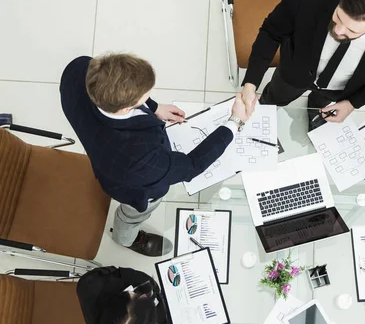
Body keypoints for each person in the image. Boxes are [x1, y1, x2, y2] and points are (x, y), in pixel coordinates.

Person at [60, 54, 254, 256]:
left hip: (99, 146)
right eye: (144, 96)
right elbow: (191, 165)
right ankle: (124, 238)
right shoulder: (139, 157)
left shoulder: (79, 69)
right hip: (130, 187)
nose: (148, 96)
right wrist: (235, 122)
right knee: (133, 213)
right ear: (126, 107)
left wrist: (153, 107)